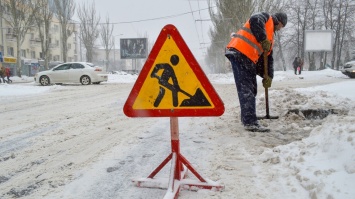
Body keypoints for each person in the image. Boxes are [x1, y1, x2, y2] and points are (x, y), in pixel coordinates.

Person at [225, 12, 287, 132]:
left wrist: (268, 76)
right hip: (240, 52)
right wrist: (262, 39)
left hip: (246, 57)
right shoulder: (266, 18)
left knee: (251, 88)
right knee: (246, 88)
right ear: (279, 22)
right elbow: (254, 19)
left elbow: (268, 58)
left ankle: (247, 118)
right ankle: (250, 122)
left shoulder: (270, 38)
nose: (280, 29)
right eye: (281, 27)